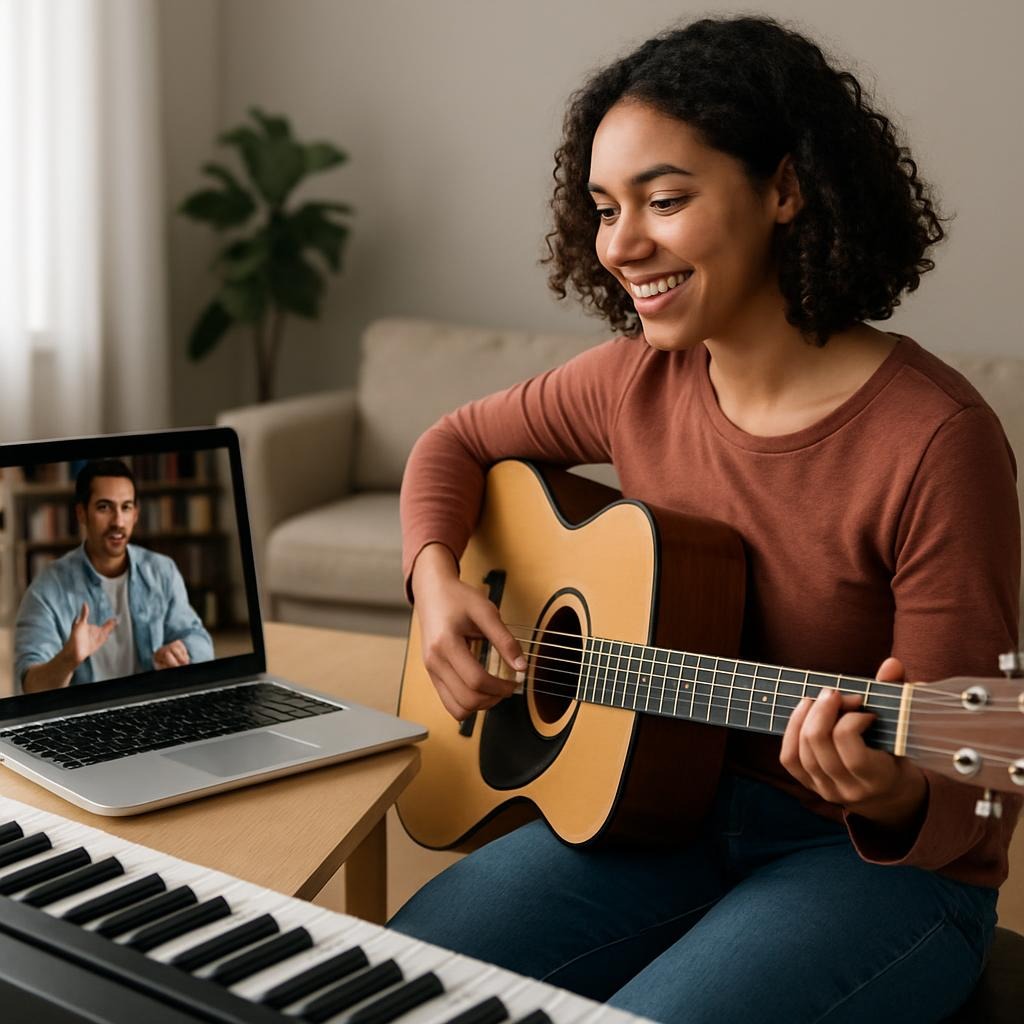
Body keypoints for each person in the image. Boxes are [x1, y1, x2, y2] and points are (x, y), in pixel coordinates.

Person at [387, 14, 1021, 1024]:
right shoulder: (634, 379)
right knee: (397, 981)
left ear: (783, 188)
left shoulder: (937, 440)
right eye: (603, 208)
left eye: (664, 199)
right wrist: (434, 582)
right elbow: (452, 443)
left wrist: (887, 791)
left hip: (872, 868)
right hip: (656, 811)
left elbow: (974, 773)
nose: (622, 245)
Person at [15, 458, 215, 692]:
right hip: (85, 720)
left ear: (136, 514)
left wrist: (183, 651)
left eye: (126, 507)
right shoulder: (47, 588)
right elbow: (31, 686)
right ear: (81, 513)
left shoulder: (162, 571)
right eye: (104, 507)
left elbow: (202, 643)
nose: (118, 521)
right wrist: (68, 659)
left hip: (154, 709)